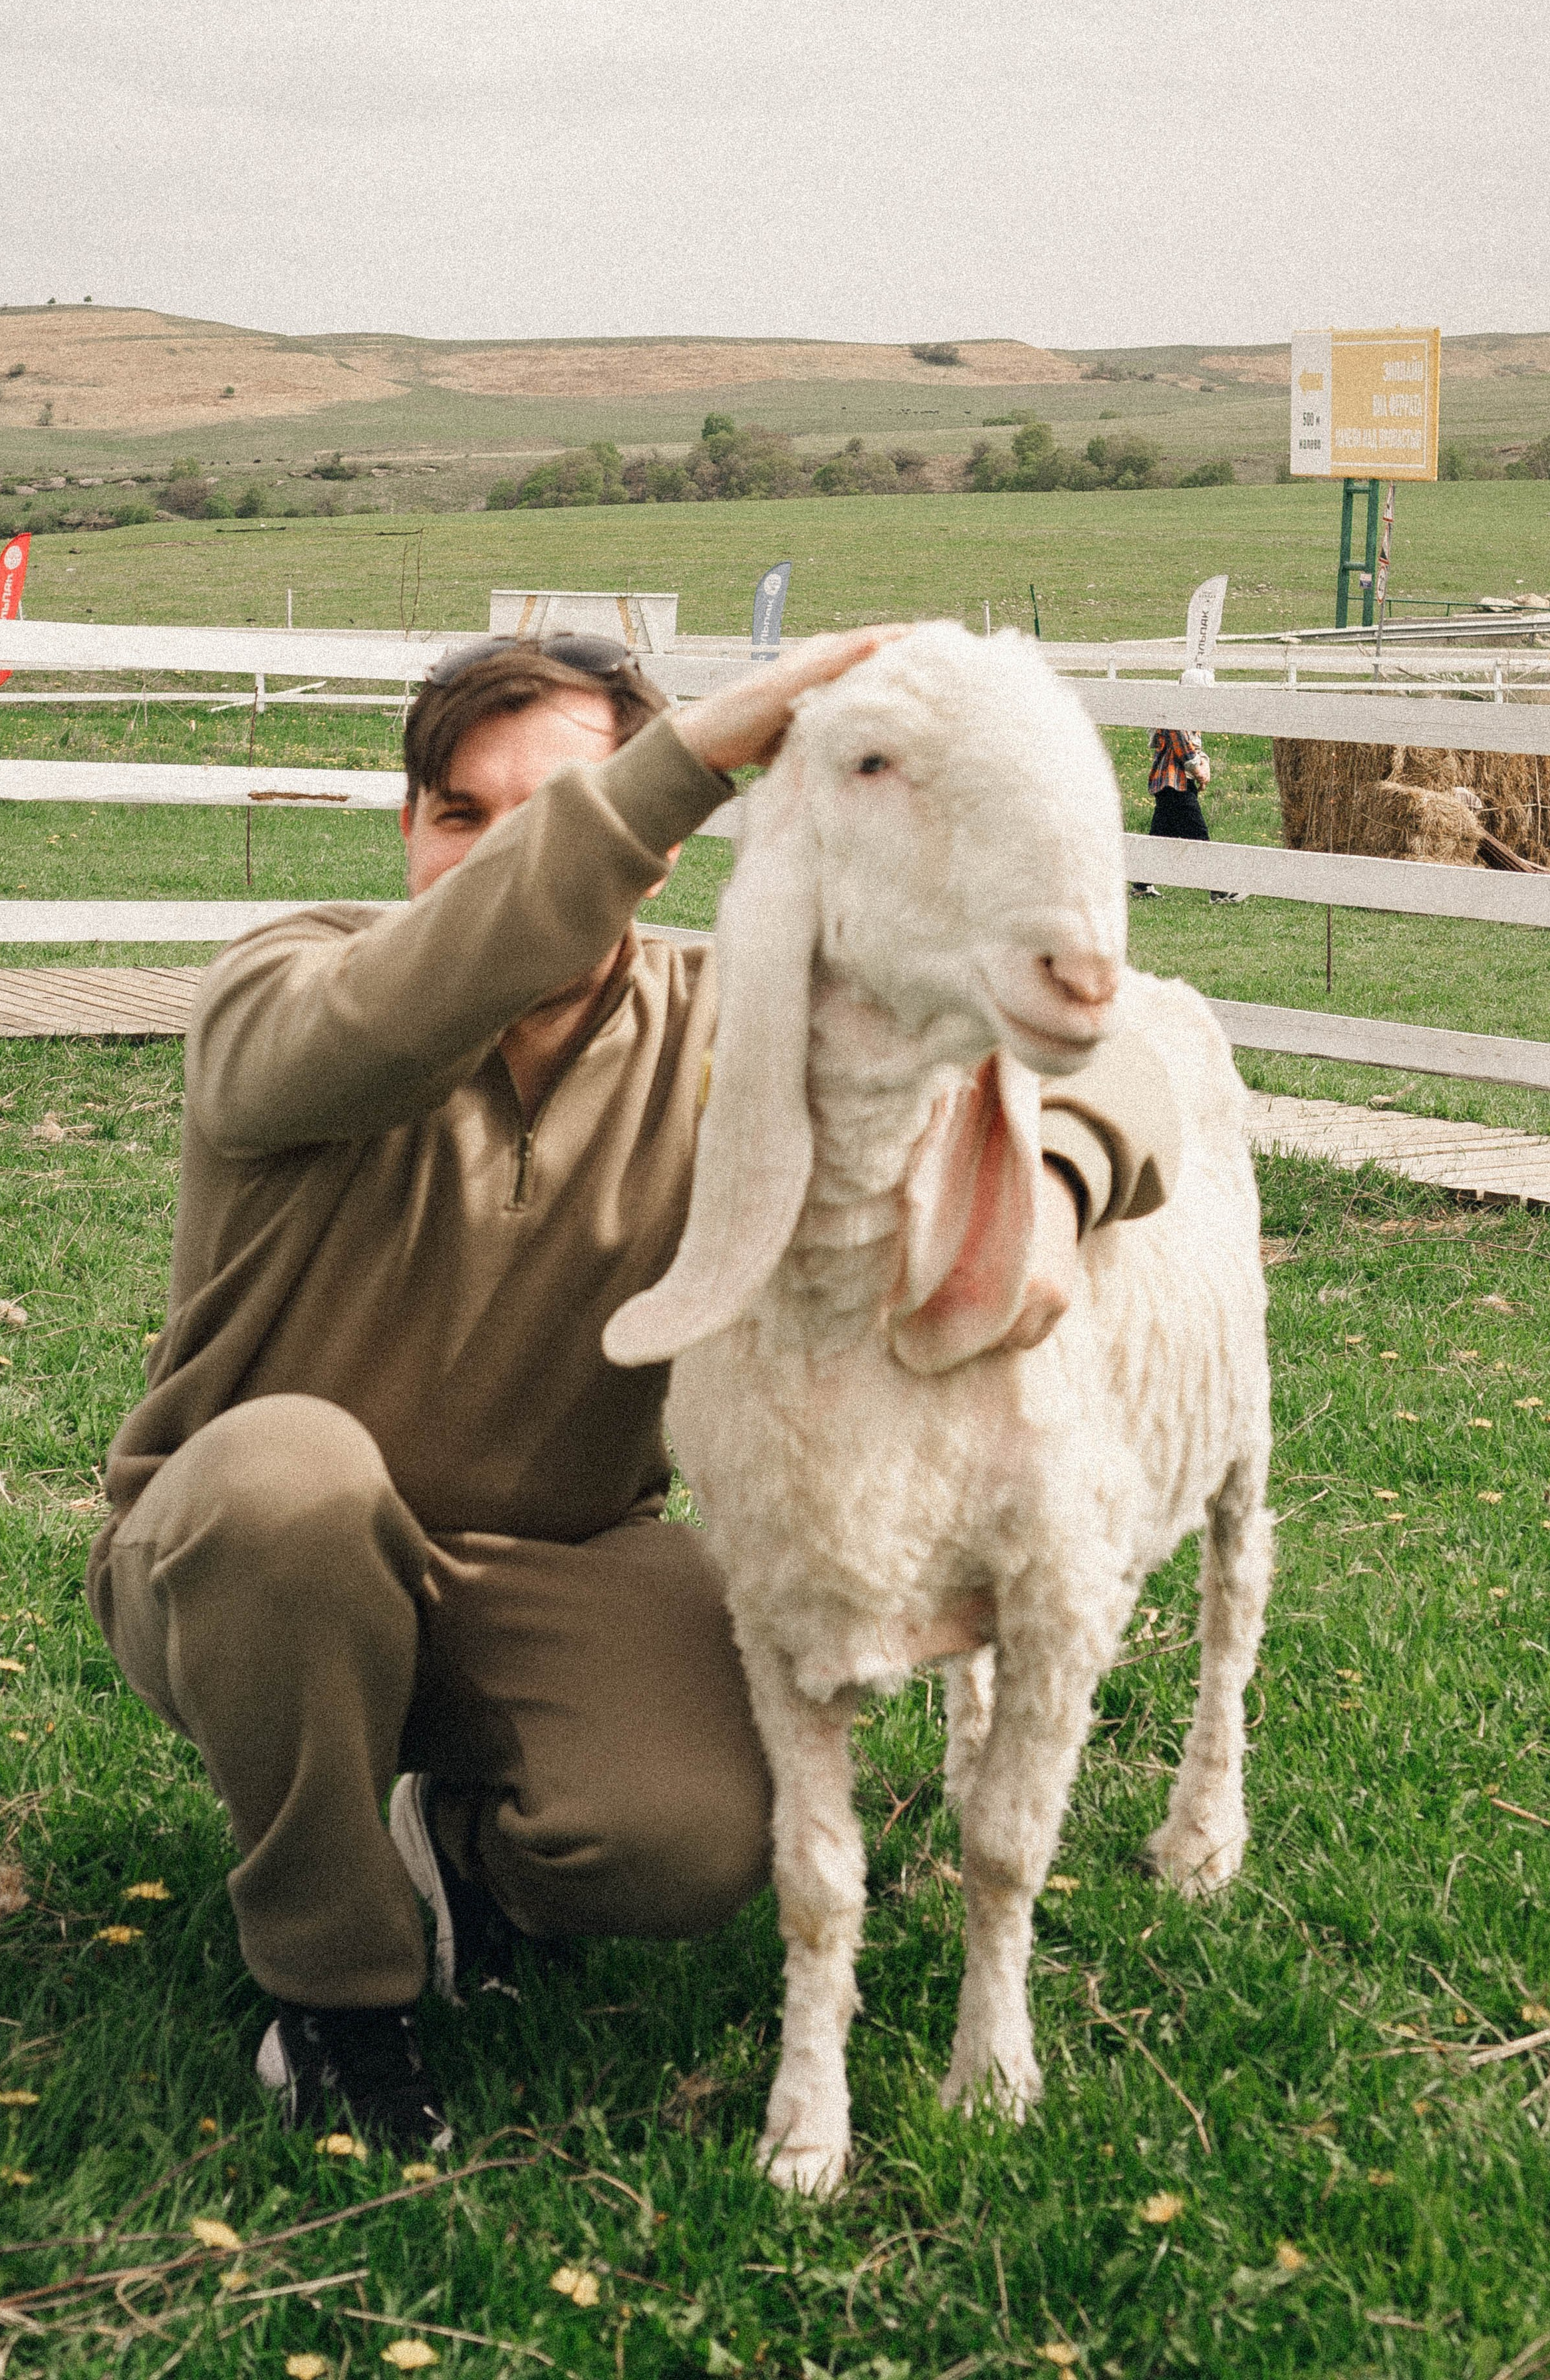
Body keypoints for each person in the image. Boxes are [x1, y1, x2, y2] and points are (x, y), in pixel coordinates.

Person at [87, 625, 1180, 2153]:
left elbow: (1115, 1040)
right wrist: (680, 760)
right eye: (458, 813)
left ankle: (461, 1849)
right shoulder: (289, 991)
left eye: (557, 816)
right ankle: (337, 1997)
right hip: (241, 1566)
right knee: (287, 1483)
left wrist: (1051, 1179)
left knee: (692, 1834)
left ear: (646, 856)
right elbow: (405, 999)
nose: (493, 858)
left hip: (560, 1560)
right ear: (409, 825)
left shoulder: (728, 1019)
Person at [1130, 725, 1249, 903]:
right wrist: (1196, 767)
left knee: (1161, 836)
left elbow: (1194, 744)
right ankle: (1220, 891)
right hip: (1175, 781)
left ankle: (1141, 886)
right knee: (1198, 835)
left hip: (1175, 782)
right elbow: (1180, 739)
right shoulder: (1174, 709)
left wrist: (1204, 763)